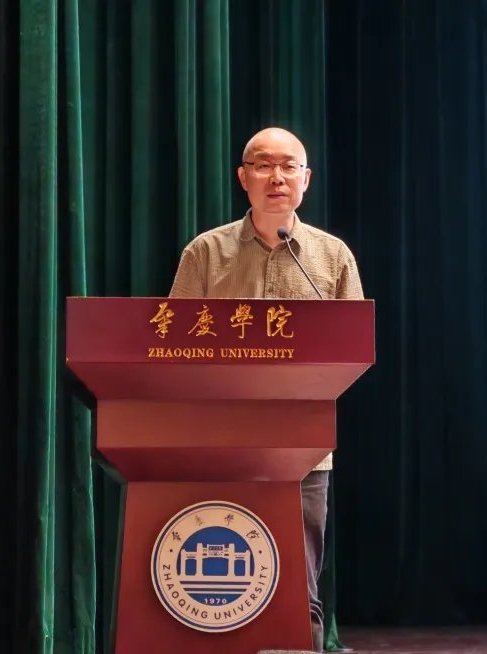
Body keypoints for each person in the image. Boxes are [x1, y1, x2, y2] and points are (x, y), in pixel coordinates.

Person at [169, 127, 364, 653]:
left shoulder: (332, 257)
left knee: (299, 588)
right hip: (220, 443)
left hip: (303, 447)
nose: (276, 177)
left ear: (306, 179)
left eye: (288, 166)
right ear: (243, 177)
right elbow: (173, 345)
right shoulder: (205, 253)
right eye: (262, 165)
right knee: (223, 585)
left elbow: (354, 351)